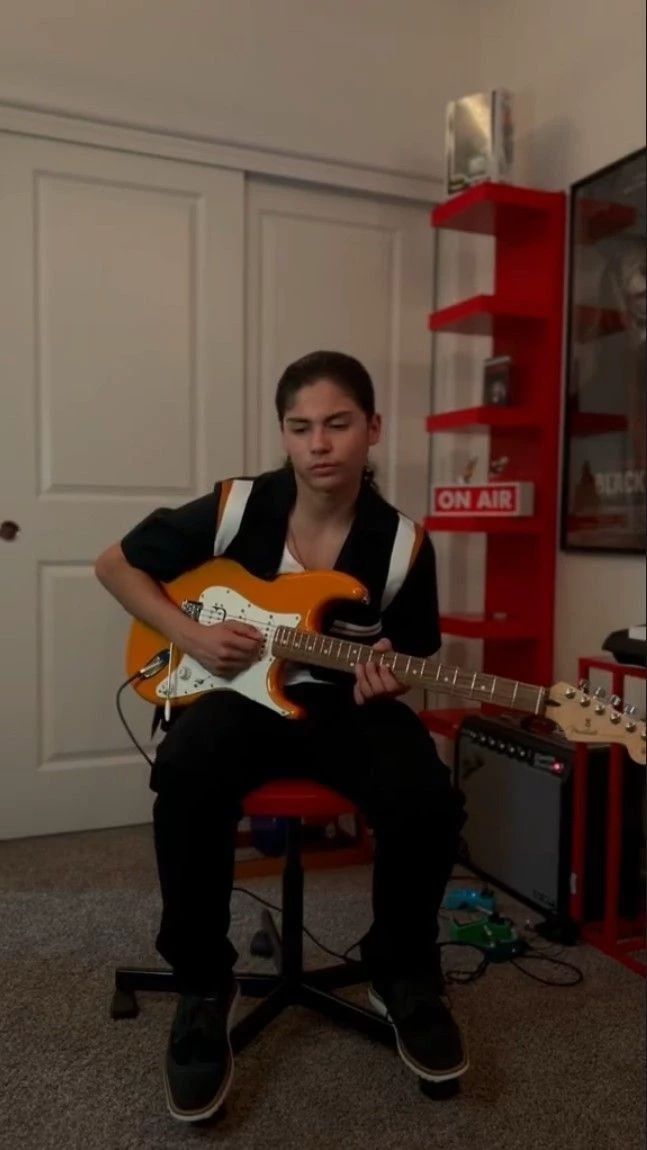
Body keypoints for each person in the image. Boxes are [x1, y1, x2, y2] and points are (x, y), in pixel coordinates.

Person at [94, 350, 467, 1123]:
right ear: (284, 434)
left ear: (372, 428)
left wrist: (391, 674)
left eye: (336, 424)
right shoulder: (238, 506)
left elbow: (412, 652)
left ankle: (401, 971)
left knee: (427, 793)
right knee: (185, 771)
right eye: (299, 428)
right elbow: (115, 566)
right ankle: (203, 984)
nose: (317, 444)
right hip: (234, 695)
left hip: (342, 705)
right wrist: (188, 635)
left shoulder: (401, 545)